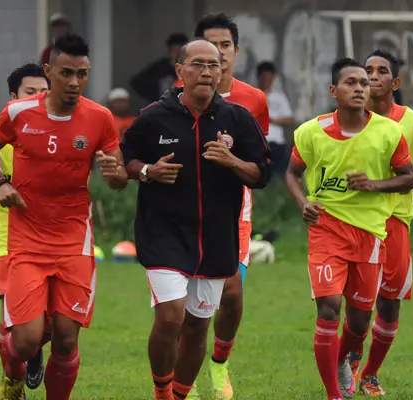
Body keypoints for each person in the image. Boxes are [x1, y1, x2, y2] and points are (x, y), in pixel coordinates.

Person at [0, 34, 127, 400]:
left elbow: (119, 176)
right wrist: (0, 183)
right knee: (27, 339)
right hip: (26, 238)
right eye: (66, 73)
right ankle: (12, 376)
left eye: (82, 73)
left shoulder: (100, 118)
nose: (75, 82)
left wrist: (114, 175)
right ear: (49, 71)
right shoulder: (18, 113)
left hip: (74, 239)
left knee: (64, 339)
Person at [121, 39, 271, 400]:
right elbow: (125, 159)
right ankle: (162, 391)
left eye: (214, 65)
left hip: (216, 240)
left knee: (196, 328)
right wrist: (147, 172)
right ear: (180, 71)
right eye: (198, 64)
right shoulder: (155, 116)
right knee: (171, 317)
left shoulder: (238, 119)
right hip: (164, 235)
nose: (206, 72)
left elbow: (262, 174)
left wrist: (232, 161)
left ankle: (179, 394)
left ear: (222, 72)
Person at [283, 58, 413, 400]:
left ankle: (346, 358)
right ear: (334, 91)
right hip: (326, 228)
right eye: (351, 83)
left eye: (363, 83)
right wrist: (304, 204)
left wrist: (373, 185)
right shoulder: (311, 131)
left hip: (370, 234)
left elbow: (408, 178)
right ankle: (334, 395)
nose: (360, 88)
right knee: (328, 307)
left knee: (359, 323)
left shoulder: (388, 132)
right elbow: (291, 173)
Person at [182, 14, 270, 399]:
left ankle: (219, 365)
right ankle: (183, 379)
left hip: (235, 211)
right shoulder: (177, 95)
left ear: (236, 51)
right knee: (189, 310)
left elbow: (258, 160)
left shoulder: (254, 100)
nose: (216, 54)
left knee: (231, 294)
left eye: (225, 46)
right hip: (186, 213)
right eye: (208, 46)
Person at [343, 49, 413, 397]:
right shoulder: (347, 119)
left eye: (382, 72)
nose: (374, 76)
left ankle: (370, 374)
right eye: (368, 70)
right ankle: (349, 359)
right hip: (356, 219)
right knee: (356, 303)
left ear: (395, 83)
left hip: (396, 219)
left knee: (389, 301)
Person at [0, 63, 50, 392]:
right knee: (15, 327)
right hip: (13, 243)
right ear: (13, 97)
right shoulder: (0, 140)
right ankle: (12, 384)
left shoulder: (64, 133)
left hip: (63, 242)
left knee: (51, 327)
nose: (39, 98)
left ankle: (34, 352)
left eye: (44, 92)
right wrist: (6, 187)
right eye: (31, 92)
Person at [256, 61, 293, 178]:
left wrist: (272, 120)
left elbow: (288, 119)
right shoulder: (252, 95)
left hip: (276, 142)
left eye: (269, 77)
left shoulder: (280, 98)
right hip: (258, 140)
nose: (267, 80)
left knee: (279, 174)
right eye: (264, 77)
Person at [130, 33, 189, 104]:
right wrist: (155, 97)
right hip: (164, 105)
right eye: (174, 50)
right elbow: (137, 82)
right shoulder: (160, 67)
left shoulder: (189, 67)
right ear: (169, 51)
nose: (177, 54)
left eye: (179, 51)